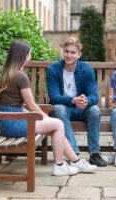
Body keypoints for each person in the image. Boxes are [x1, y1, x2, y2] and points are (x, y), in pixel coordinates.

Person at [0, 40, 97, 176]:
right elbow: (31, 106)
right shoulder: (21, 76)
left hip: (8, 121)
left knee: (54, 127)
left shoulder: (8, 72)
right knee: (58, 124)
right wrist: (45, 117)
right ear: (23, 55)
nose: (30, 57)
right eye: (29, 54)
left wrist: (43, 118)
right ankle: (60, 165)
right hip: (13, 123)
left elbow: (15, 105)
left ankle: (75, 160)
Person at [46, 37, 107, 167]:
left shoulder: (87, 70)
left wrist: (86, 101)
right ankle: (73, 154)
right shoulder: (53, 70)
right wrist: (73, 100)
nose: (69, 55)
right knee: (59, 108)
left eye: (73, 52)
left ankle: (94, 153)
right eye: (66, 51)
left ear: (79, 54)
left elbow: (94, 97)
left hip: (80, 109)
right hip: (61, 111)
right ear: (63, 52)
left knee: (94, 110)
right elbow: (54, 97)